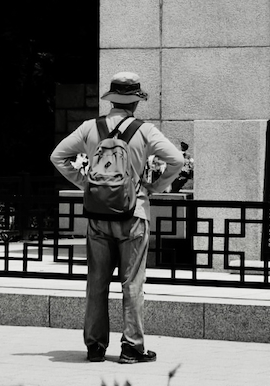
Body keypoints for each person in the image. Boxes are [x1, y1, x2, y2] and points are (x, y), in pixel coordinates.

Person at [51, 72, 188, 364]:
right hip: (133, 214)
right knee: (132, 283)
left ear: (111, 99)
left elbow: (57, 156)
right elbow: (177, 160)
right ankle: (131, 348)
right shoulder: (145, 130)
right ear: (136, 101)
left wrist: (85, 183)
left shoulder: (90, 127)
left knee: (96, 282)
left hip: (97, 217)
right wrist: (153, 187)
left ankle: (95, 347)